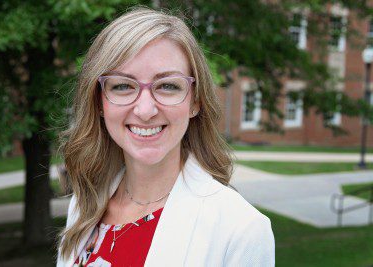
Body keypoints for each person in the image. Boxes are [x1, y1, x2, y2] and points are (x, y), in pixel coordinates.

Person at [57, 7, 274, 267]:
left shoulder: (240, 230)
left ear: (195, 101)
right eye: (123, 86)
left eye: (168, 86)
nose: (145, 110)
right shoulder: (85, 205)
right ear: (100, 102)